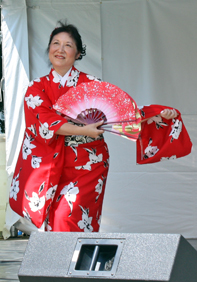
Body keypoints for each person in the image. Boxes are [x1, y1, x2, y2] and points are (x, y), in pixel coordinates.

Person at [8, 21, 179, 233]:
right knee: (55, 221)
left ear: (78, 53)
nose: (60, 49)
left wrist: (157, 113)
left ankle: (76, 264)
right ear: (49, 49)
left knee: (70, 217)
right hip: (51, 166)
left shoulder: (90, 84)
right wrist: (83, 130)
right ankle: (70, 265)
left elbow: (121, 112)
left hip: (88, 163)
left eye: (68, 45)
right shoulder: (36, 87)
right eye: (56, 43)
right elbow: (44, 121)